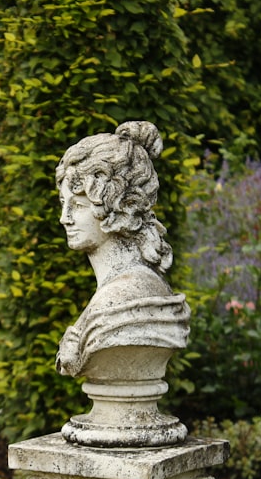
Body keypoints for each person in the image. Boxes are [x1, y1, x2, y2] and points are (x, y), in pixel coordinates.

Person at [54, 122, 189, 379]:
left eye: (79, 205)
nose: (64, 217)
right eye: (63, 203)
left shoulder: (128, 298)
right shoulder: (118, 293)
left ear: (119, 208)